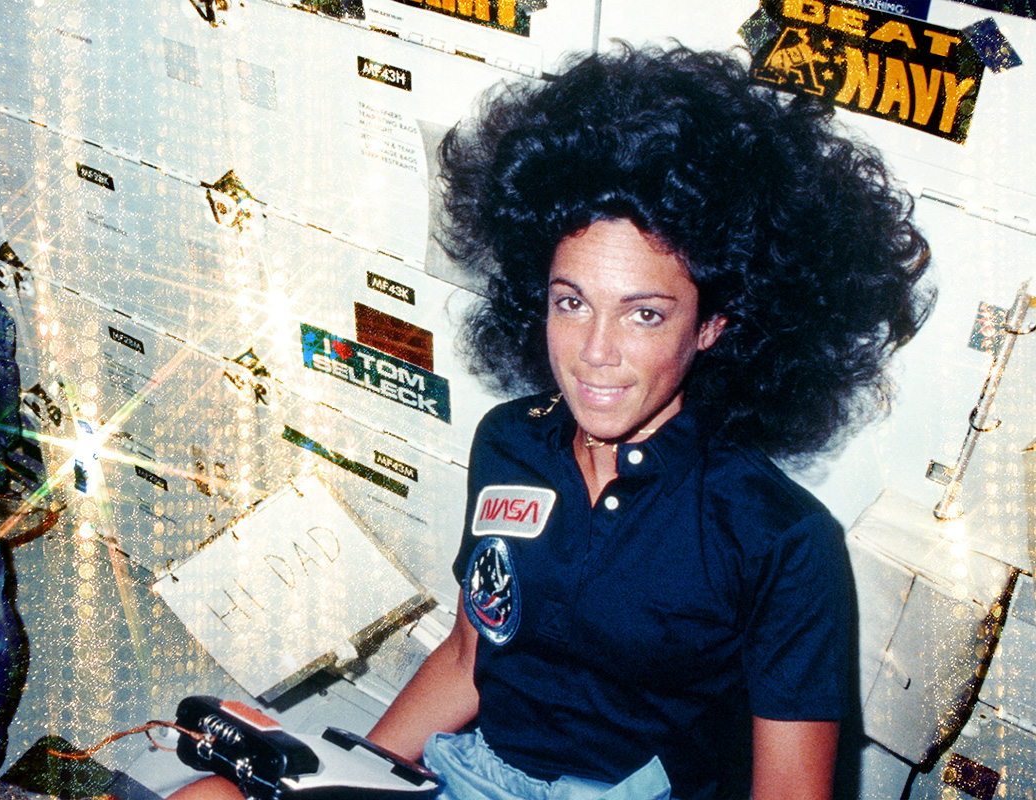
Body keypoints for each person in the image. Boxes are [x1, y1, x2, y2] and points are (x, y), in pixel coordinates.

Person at [169, 42, 932, 800]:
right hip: (476, 776)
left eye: (644, 314)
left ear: (714, 326)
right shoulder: (509, 442)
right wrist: (351, 778)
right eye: (572, 302)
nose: (595, 354)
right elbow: (471, 658)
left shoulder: (779, 538)